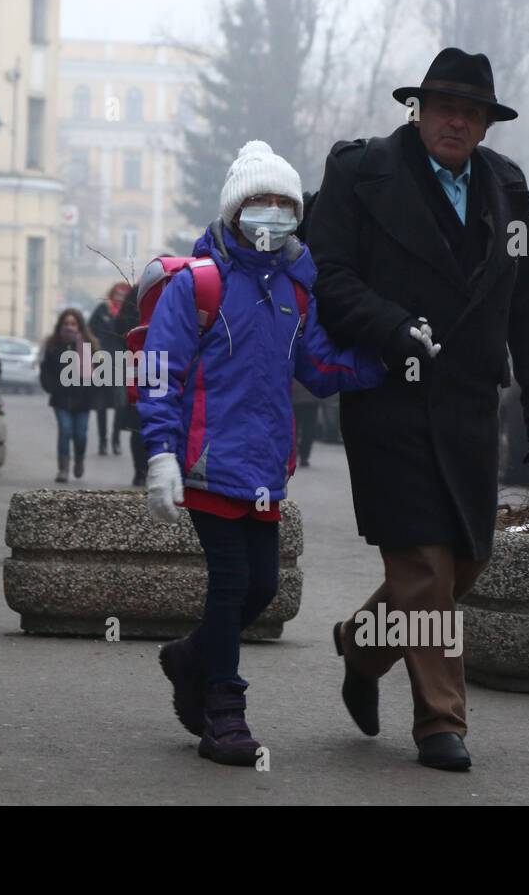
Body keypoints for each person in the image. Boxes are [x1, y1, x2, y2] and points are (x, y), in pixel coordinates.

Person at [306, 47, 529, 770]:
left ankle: (362, 649)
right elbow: (325, 276)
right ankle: (440, 724)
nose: (456, 122)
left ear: (487, 126)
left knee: (465, 563)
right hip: (389, 398)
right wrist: (389, 322)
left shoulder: (509, 188)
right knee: (424, 567)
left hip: (467, 404)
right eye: (444, 107)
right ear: (418, 110)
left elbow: (526, 308)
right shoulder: (360, 173)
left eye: (471, 112)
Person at [139, 140, 384, 766]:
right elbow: (161, 372)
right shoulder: (200, 284)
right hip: (207, 463)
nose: (272, 213)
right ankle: (224, 712)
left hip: (265, 469)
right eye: (260, 201)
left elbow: (321, 366)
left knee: (262, 585)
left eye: (284, 203)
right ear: (235, 208)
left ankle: (191, 657)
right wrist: (161, 454)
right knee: (231, 584)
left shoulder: (297, 291)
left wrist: (390, 357)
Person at [39, 309, 101, 483]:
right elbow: (46, 370)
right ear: (61, 324)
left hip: (83, 400)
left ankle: (79, 460)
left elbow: (99, 373)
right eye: (66, 323)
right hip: (61, 399)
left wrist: (92, 392)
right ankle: (63, 469)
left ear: (79, 326)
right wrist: (52, 387)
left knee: (80, 434)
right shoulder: (53, 345)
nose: (69, 327)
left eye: (73, 324)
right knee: (65, 431)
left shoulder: (89, 345)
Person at [89, 282, 132, 456]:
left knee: (120, 403)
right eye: (117, 293)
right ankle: (103, 441)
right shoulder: (102, 309)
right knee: (101, 404)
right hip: (101, 361)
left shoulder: (129, 313)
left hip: (122, 362)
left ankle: (115, 440)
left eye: (124, 294)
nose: (120, 297)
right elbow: (90, 331)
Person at [113, 281, 149, 486]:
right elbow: (120, 329)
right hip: (138, 369)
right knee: (139, 425)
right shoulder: (137, 295)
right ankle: (142, 470)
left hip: (140, 369)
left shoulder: (139, 293)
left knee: (140, 425)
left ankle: (142, 470)